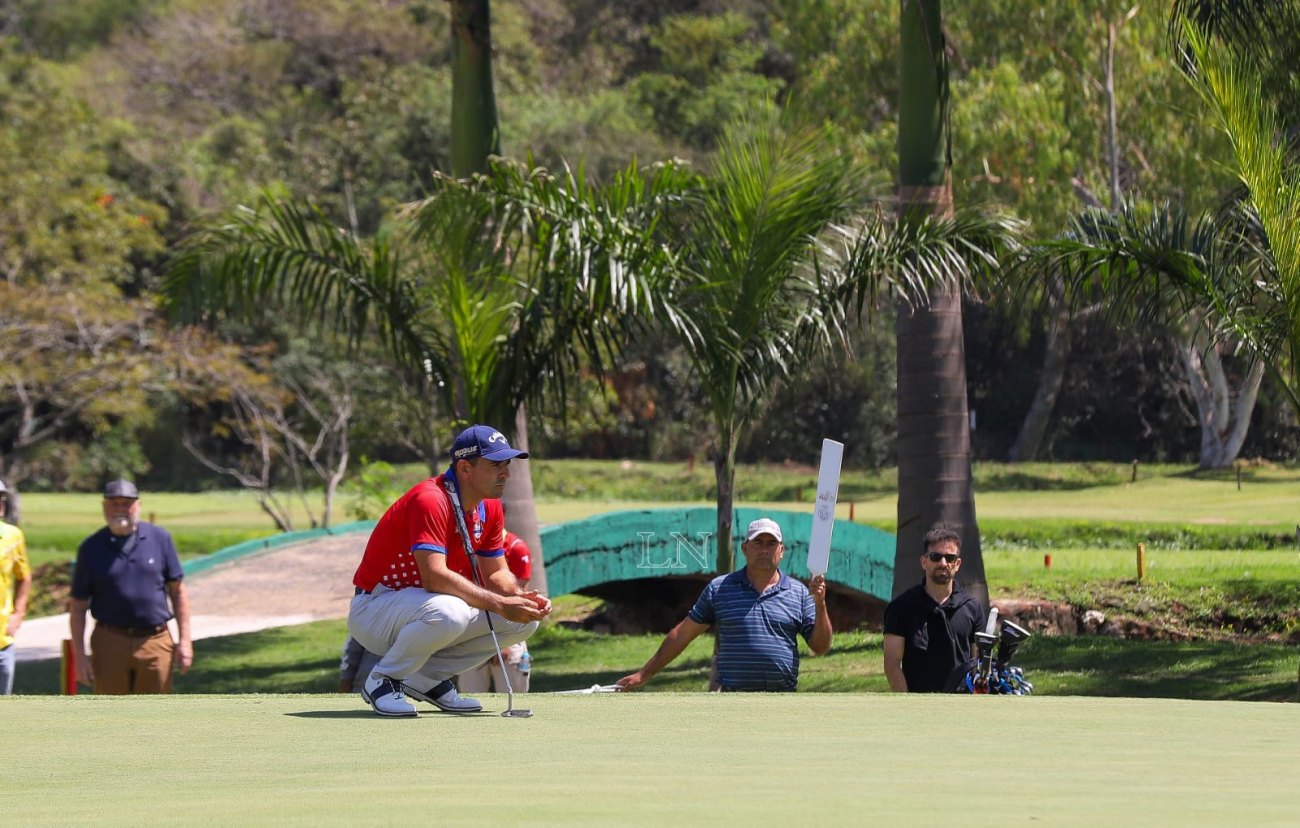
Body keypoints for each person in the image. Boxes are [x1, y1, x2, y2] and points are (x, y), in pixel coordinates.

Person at [348, 424, 551, 717]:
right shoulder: (431, 499)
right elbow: (434, 577)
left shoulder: (489, 506)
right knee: (450, 611)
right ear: (465, 468)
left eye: (506, 464)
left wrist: (520, 598)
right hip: (374, 608)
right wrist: (501, 603)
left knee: (524, 622)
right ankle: (383, 680)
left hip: (426, 609)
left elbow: (496, 572)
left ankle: (425, 679)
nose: (506, 473)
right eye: (496, 465)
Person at [616, 517, 832, 692]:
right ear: (745, 548)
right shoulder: (720, 588)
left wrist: (820, 605)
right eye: (758, 542)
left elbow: (820, 647)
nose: (764, 550)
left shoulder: (799, 592)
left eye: (771, 543)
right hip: (732, 699)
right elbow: (683, 634)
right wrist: (644, 674)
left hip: (783, 700)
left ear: (781, 551)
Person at [68, 480, 193, 694]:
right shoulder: (90, 548)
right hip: (110, 642)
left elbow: (178, 592)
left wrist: (185, 641)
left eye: (126, 503)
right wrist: (79, 656)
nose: (119, 509)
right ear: (104, 507)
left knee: (154, 716)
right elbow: (78, 605)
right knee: (113, 717)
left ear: (138, 506)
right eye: (113, 503)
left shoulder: (160, 539)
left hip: (155, 641)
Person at [882, 524, 987, 693]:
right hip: (917, 708)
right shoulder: (902, 607)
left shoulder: (972, 608)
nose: (943, 563)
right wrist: (905, 703)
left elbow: (978, 664)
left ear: (957, 564)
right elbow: (892, 663)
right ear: (924, 562)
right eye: (935, 557)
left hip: (961, 708)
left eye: (950, 558)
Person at [457, 530, 533, 694]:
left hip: (508, 632)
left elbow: (519, 598)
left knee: (513, 695)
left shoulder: (515, 548)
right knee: (470, 696)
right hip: (474, 633)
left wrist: (504, 642)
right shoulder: (466, 547)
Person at [0, 481, 32, 695]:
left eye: (0, 500)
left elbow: (24, 576)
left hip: (3, 640)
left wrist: (18, 612)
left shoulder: (12, 535)